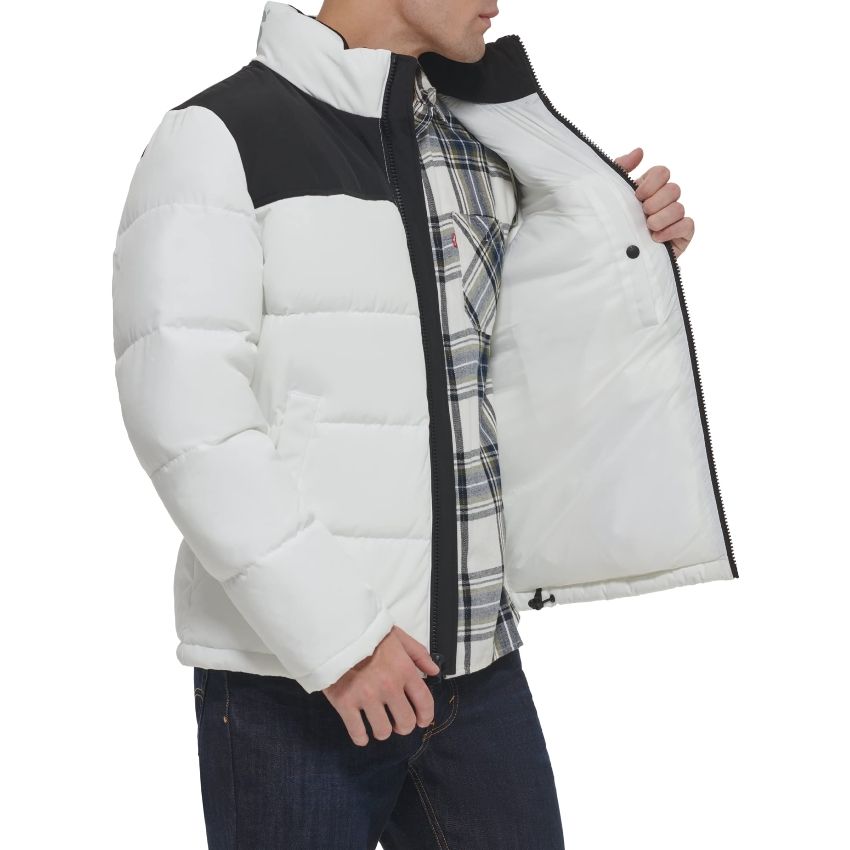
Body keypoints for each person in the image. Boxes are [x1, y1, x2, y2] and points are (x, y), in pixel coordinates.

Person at [112, 1, 736, 847]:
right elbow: (187, 421)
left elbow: (501, 360)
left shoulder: (478, 138)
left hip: (477, 665)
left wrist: (621, 243)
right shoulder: (218, 136)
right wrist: (341, 641)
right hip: (294, 678)